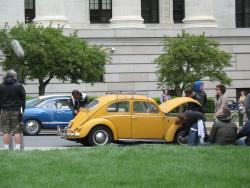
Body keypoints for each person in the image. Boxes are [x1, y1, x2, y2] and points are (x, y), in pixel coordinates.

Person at [0, 70, 26, 150]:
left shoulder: (1, 86)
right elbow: (23, 98)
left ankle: (6, 149)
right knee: (17, 131)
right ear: (14, 76)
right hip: (16, 111)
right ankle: (17, 149)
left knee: (6, 131)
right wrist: (23, 110)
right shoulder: (19, 86)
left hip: (4, 111)